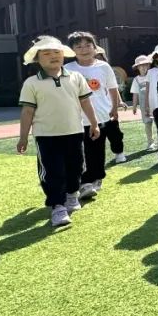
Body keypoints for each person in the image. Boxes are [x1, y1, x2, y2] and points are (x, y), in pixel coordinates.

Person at [16, 36, 99, 229]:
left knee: (76, 167)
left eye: (57, 52)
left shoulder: (76, 77)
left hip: (74, 132)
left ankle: (72, 195)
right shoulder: (31, 83)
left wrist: (94, 124)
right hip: (46, 136)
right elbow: (27, 111)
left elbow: (86, 102)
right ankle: (57, 206)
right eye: (46, 53)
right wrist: (23, 137)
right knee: (53, 172)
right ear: (37, 59)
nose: (53, 56)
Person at [65, 30, 123, 199]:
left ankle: (96, 177)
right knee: (84, 152)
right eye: (79, 46)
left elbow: (112, 88)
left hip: (102, 115)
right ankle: (86, 182)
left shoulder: (103, 67)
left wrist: (114, 107)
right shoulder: (68, 69)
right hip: (78, 119)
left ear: (94, 47)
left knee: (97, 151)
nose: (84, 49)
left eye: (88, 45)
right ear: (72, 50)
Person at [130, 54, 156, 151]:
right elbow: (135, 94)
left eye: (146, 65)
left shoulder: (153, 75)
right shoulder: (136, 80)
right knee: (147, 123)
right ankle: (150, 142)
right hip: (144, 107)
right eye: (141, 65)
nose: (144, 67)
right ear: (137, 67)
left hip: (155, 104)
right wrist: (134, 107)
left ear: (149, 65)